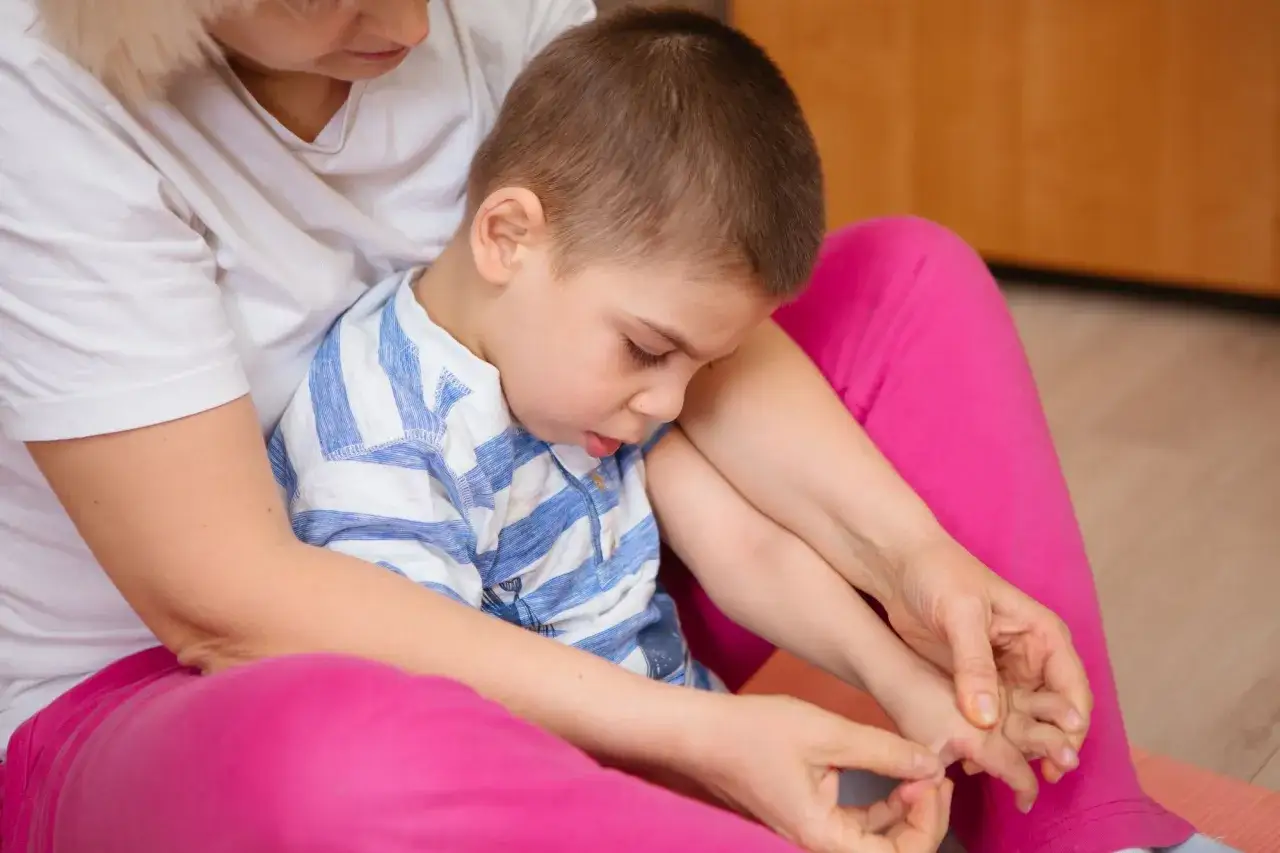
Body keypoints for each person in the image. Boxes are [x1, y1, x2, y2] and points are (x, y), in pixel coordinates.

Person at [0, 0, 1221, 851]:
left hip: (568, 584)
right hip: (188, 687)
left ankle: (1080, 827)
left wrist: (917, 585)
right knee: (346, 762)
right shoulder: (44, 96)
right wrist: (709, 736)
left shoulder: (598, 393)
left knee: (912, 279)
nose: (418, 27)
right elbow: (229, 603)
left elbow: (699, 423)